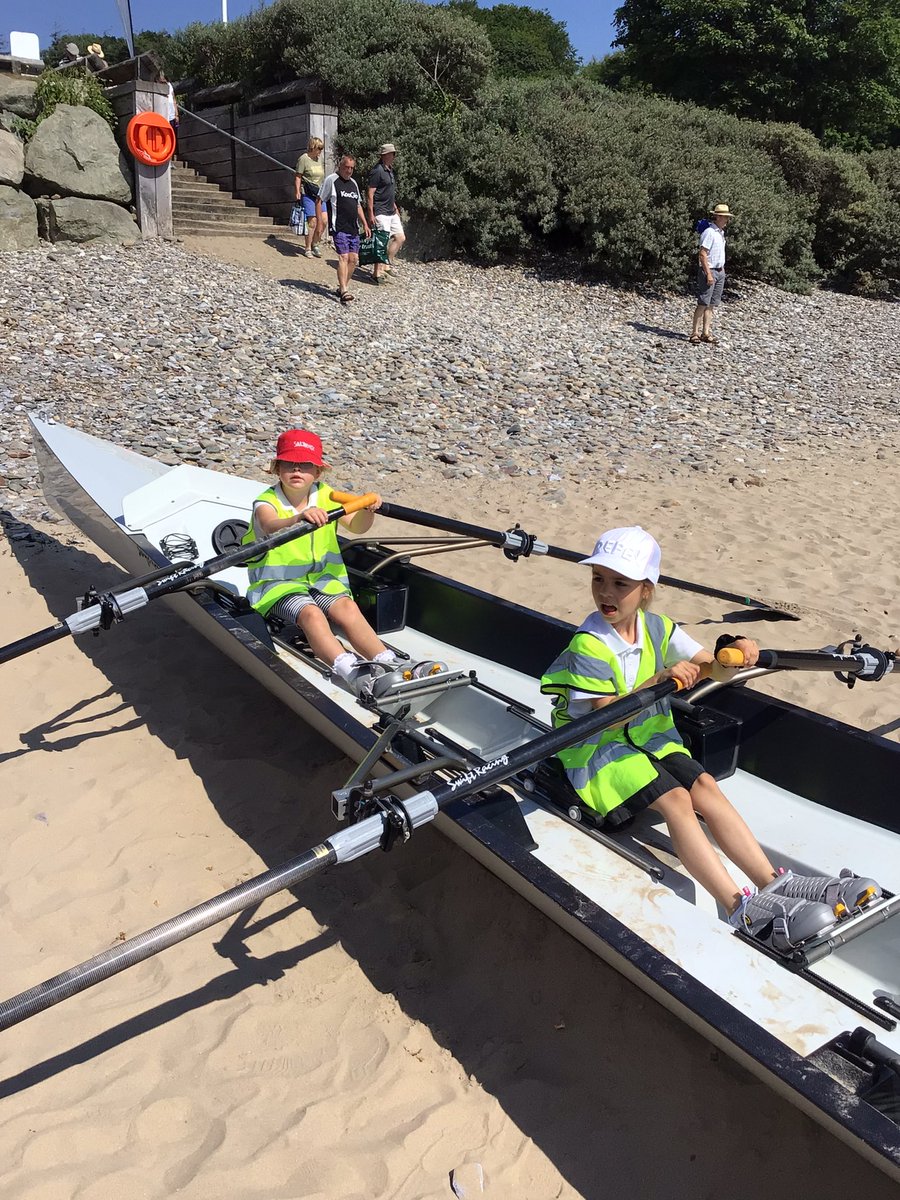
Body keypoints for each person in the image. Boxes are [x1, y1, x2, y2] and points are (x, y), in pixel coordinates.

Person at [540, 526, 882, 951]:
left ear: (646, 590)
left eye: (620, 583)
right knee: (678, 801)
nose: (606, 593)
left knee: (704, 785)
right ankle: (739, 906)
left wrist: (735, 650)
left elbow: (713, 668)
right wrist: (658, 679)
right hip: (593, 746)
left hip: (647, 736)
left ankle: (773, 884)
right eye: (599, 580)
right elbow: (604, 719)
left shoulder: (658, 628)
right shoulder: (588, 645)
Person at [242, 429, 441, 696]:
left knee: (347, 607)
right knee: (311, 614)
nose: (297, 469)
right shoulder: (266, 501)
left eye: (306, 465)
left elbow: (358, 527)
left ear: (319, 472)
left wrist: (367, 510)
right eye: (289, 463)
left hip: (323, 581)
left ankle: (388, 660)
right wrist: (299, 518)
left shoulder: (328, 495)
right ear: (277, 468)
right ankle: (352, 671)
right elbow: (269, 525)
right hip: (278, 585)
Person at [317, 155, 370, 306]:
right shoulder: (332, 180)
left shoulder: (353, 183)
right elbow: (319, 199)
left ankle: (342, 287)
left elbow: (358, 205)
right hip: (338, 225)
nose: (349, 170)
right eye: (347, 167)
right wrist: (320, 219)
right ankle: (345, 290)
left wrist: (365, 223)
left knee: (354, 259)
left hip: (353, 227)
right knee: (343, 257)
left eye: (352, 168)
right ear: (341, 166)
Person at [690, 203, 732, 345]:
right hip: (710, 270)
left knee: (712, 304)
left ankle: (705, 332)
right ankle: (694, 332)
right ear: (718, 217)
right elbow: (703, 254)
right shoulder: (709, 232)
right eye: (725, 217)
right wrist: (708, 273)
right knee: (703, 302)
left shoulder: (720, 233)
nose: (727, 220)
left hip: (720, 271)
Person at [367, 142, 405, 285]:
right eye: (391, 154)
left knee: (400, 237)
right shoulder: (377, 171)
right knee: (381, 241)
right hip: (381, 211)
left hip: (391, 210)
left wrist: (395, 207)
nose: (393, 156)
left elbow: (389, 191)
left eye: (393, 153)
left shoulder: (389, 169)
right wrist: (371, 213)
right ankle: (377, 272)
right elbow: (370, 193)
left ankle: (386, 263)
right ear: (384, 155)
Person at [294, 137, 327, 258]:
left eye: (321, 149)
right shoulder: (303, 159)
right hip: (307, 193)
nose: (320, 151)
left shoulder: (319, 159)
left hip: (319, 193)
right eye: (319, 148)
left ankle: (315, 243)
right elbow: (298, 176)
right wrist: (297, 191)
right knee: (312, 221)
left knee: (324, 220)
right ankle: (307, 247)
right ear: (313, 147)